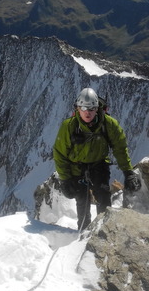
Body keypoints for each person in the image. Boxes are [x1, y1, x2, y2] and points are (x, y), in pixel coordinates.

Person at [53, 87, 141, 230]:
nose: (87, 112)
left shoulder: (109, 124)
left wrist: (128, 172)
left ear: (97, 108)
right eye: (84, 108)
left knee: (104, 199)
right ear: (77, 108)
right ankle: (84, 232)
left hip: (98, 166)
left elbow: (120, 147)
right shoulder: (69, 126)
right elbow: (60, 154)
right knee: (82, 201)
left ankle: (104, 231)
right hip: (77, 169)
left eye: (91, 108)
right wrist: (65, 179)